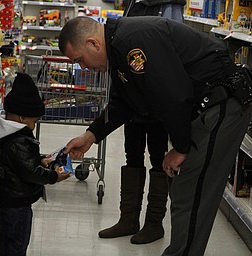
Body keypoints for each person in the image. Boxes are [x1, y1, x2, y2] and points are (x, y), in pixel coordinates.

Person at [59, 16, 252, 256]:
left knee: (191, 192)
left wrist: (180, 148)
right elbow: (123, 103)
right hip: (208, 108)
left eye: (80, 60)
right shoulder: (119, 49)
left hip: (222, 104)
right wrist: (91, 135)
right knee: (185, 190)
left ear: (93, 44)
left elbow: (173, 96)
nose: (83, 68)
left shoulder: (133, 43)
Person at [97, 0, 186, 245]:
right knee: (132, 154)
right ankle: (128, 219)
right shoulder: (134, 3)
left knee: (158, 158)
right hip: (131, 96)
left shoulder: (170, 6)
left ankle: (154, 223)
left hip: (156, 98)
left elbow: (170, 50)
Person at [0, 73, 70, 256]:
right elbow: (29, 171)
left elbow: (18, 162)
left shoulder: (4, 133)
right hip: (17, 200)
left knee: (6, 238)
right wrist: (53, 177)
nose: (34, 126)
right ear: (21, 118)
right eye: (34, 121)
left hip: (7, 197)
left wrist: (41, 159)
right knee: (17, 243)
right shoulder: (17, 139)